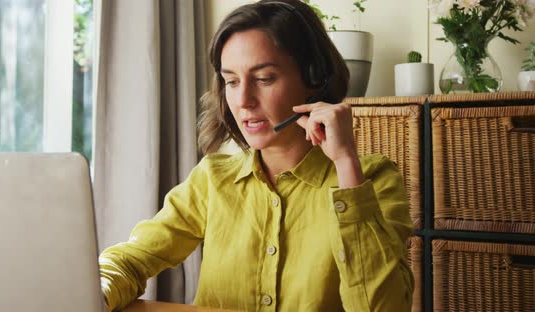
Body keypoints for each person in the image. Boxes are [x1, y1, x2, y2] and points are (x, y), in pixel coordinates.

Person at [100, 0, 414, 311]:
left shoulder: (372, 180)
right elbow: (132, 258)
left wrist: (346, 164)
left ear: (314, 79)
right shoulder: (212, 178)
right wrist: (98, 291)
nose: (244, 100)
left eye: (264, 78)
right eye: (232, 81)